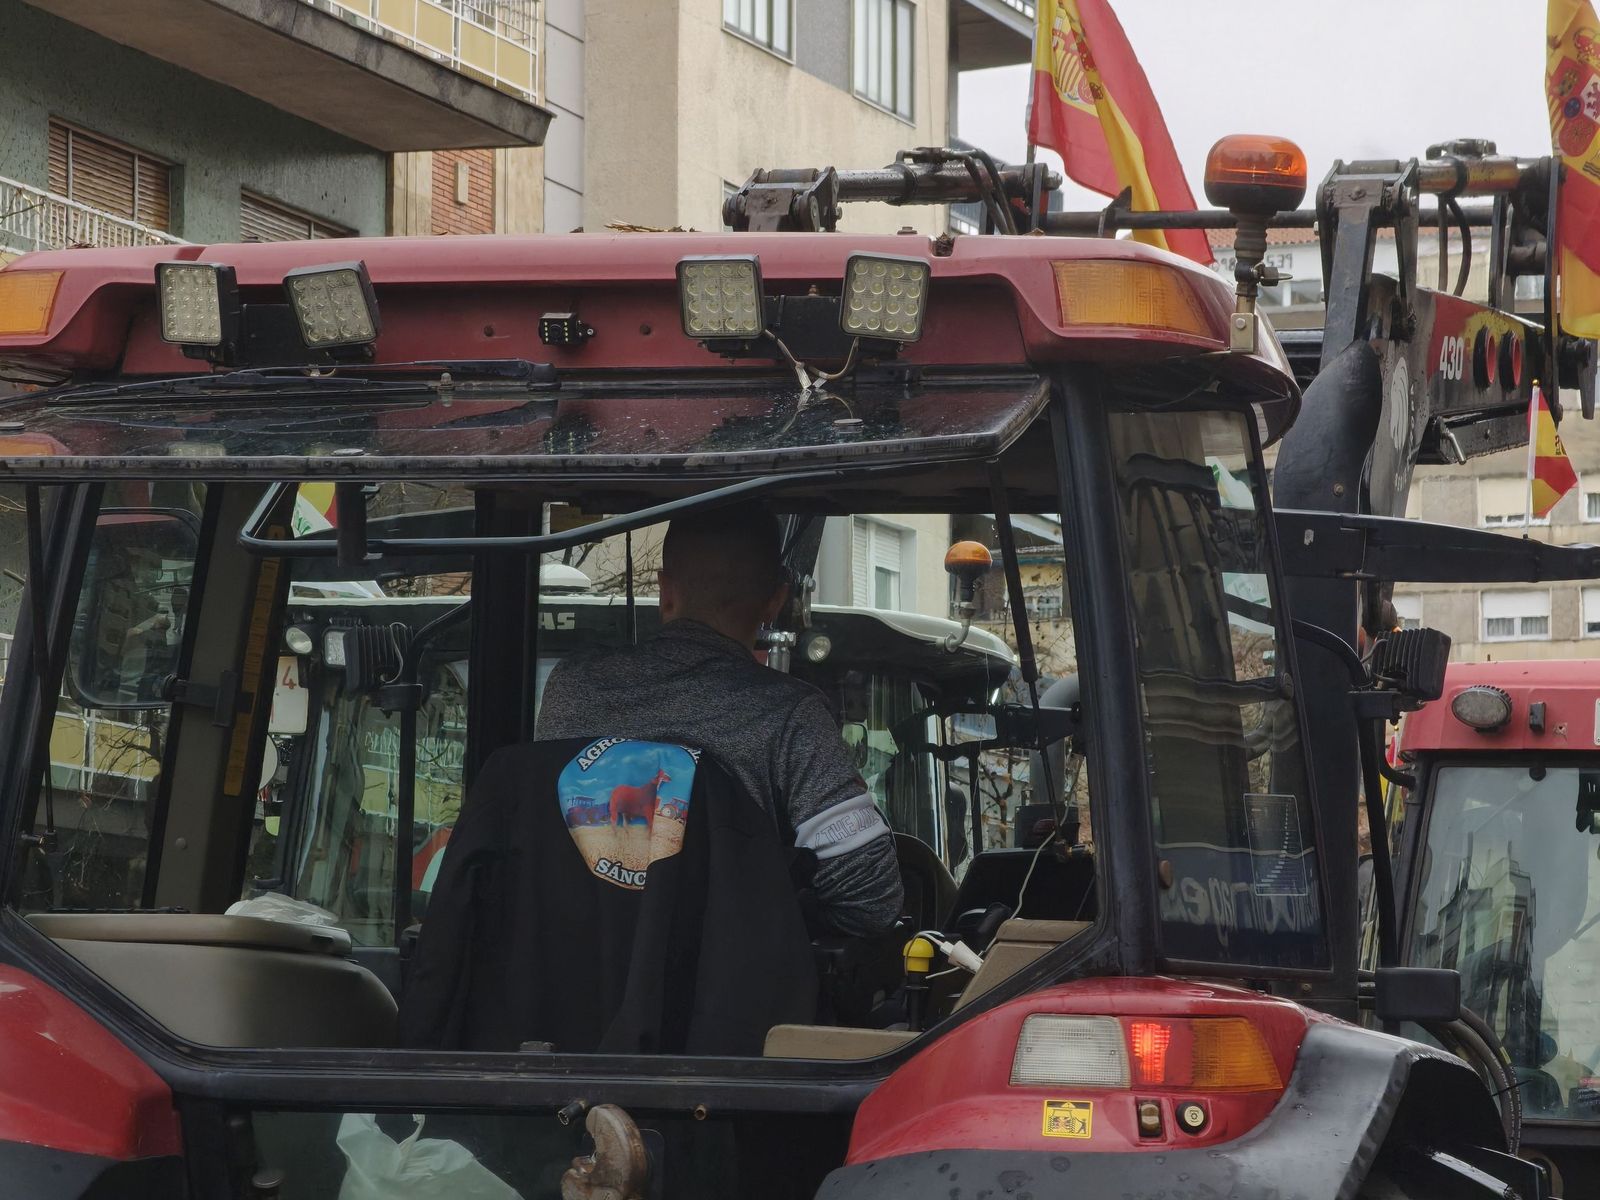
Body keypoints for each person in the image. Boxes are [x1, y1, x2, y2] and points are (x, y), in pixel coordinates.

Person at [537, 503, 904, 938]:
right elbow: (872, 900)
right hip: (722, 979)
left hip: (559, 971)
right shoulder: (788, 714)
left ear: (665, 591)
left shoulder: (571, 686)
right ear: (775, 601)